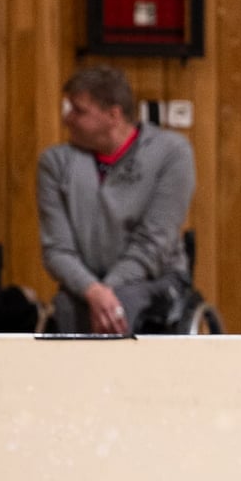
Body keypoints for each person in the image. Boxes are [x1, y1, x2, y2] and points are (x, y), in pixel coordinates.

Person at [38, 66, 195, 335]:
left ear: (113, 115)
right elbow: (57, 249)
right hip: (87, 284)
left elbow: (155, 242)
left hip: (155, 278)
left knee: (119, 307)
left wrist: (107, 290)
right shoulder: (55, 163)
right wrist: (92, 290)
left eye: (78, 111)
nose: (67, 119)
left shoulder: (171, 153)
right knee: (65, 307)